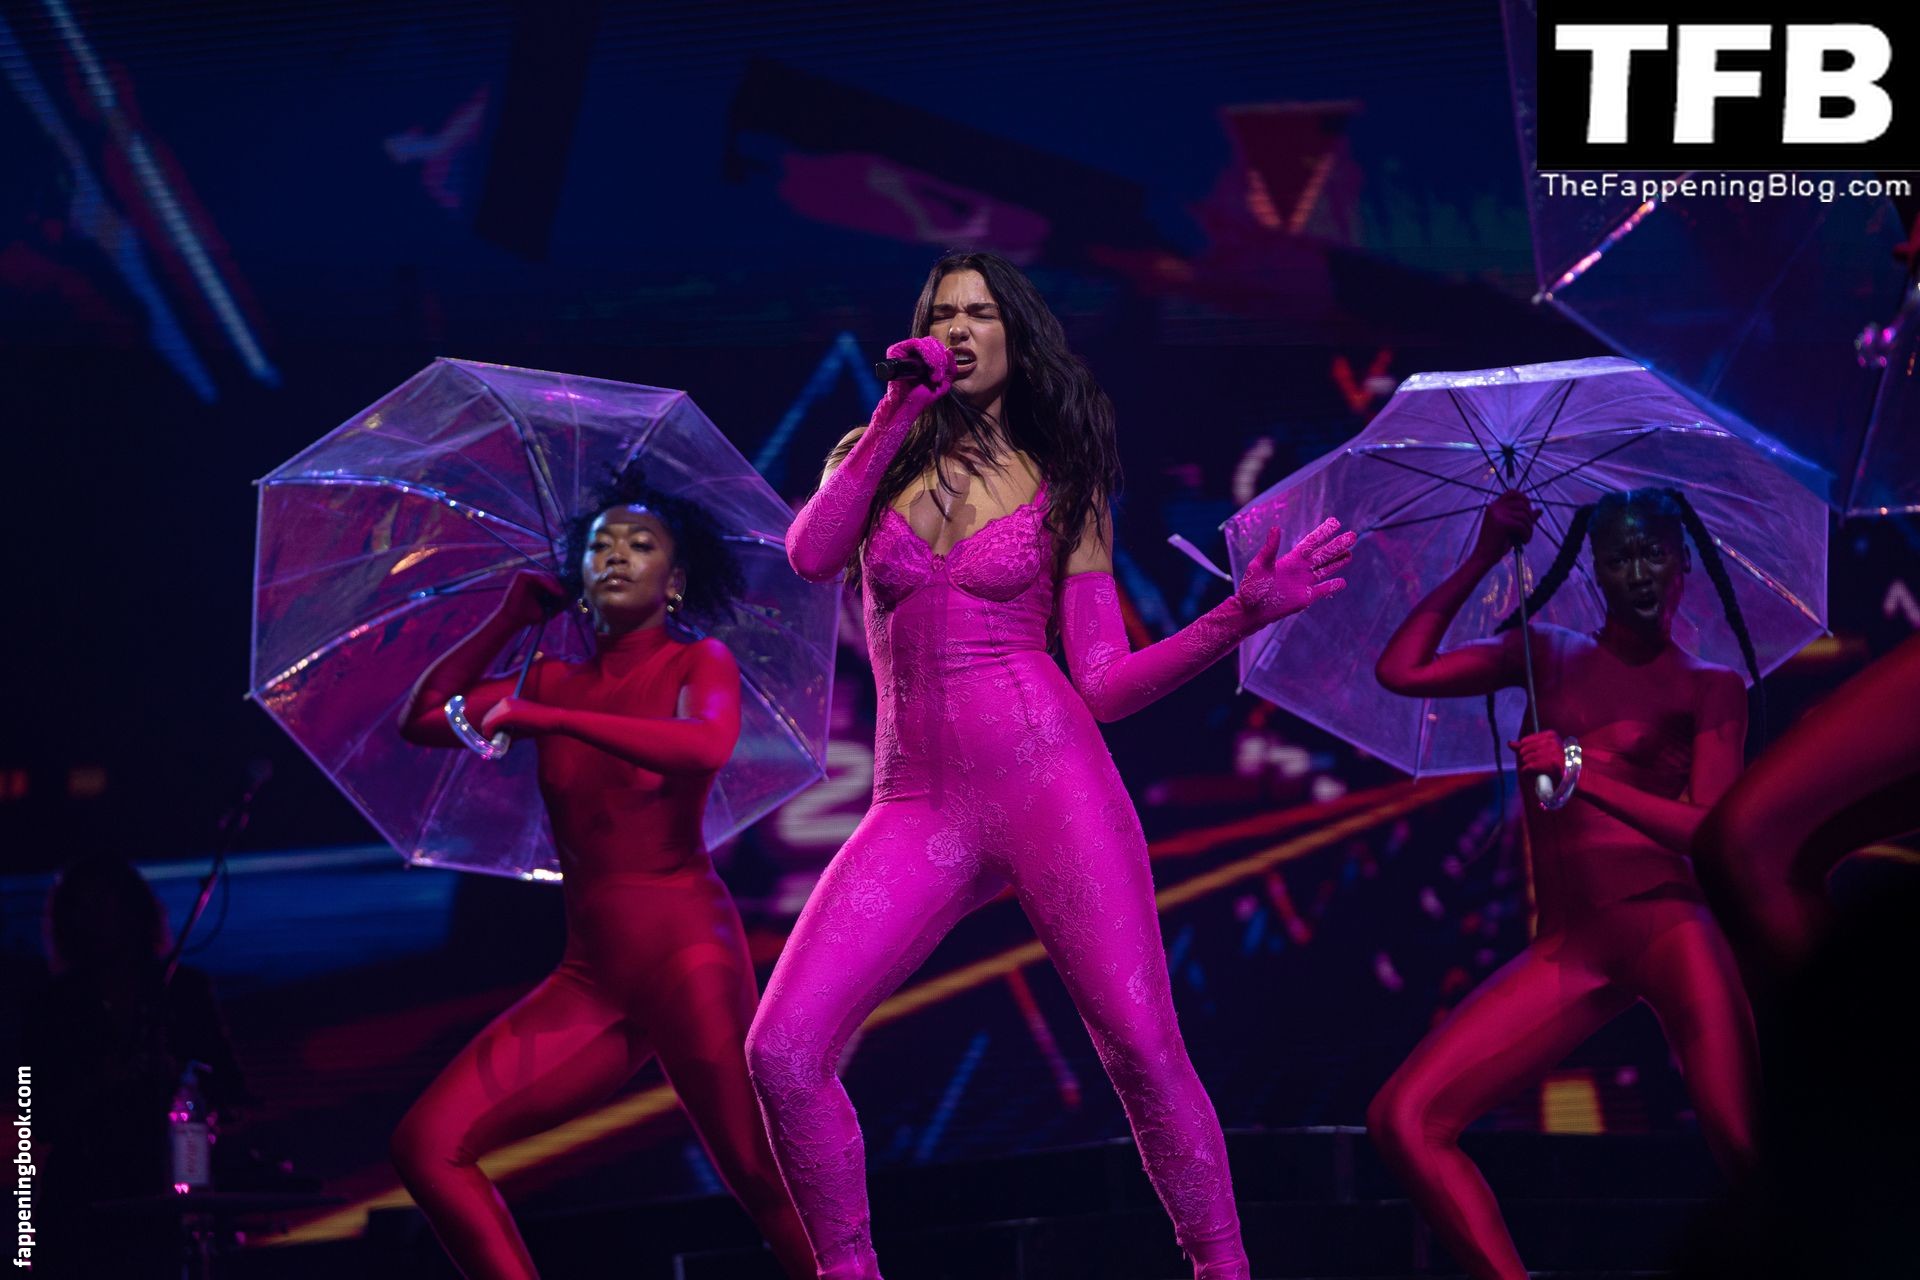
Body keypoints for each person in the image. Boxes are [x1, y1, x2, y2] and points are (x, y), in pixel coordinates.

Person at [748, 249, 1354, 1280]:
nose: (960, 328)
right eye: (944, 312)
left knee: (1141, 1048)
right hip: (916, 804)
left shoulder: (1066, 479)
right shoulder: (872, 450)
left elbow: (1105, 682)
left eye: (982, 313)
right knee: (782, 1051)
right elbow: (810, 553)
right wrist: (895, 410)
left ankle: (1223, 1270)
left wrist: (1237, 615)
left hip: (1052, 784)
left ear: (1016, 337)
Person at [390, 463, 812, 1279]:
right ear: (578, 580)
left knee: (758, 1174)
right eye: (598, 545)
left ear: (675, 581)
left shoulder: (698, 663)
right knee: (426, 1146)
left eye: (640, 544)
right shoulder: (548, 677)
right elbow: (423, 718)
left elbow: (704, 745)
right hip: (592, 980)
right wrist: (508, 619)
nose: (615, 554)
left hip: (689, 958)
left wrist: (552, 718)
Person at [1368, 488, 1761, 1280]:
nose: (1639, 572)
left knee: (1747, 1144)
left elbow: (1708, 832)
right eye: (1619, 558)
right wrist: (1484, 554)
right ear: (1594, 571)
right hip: (1572, 945)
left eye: (1654, 553)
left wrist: (1582, 770)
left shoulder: (1709, 685)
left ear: (1683, 563)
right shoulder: (1544, 653)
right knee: (1404, 1119)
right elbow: (1400, 670)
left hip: (1669, 928)